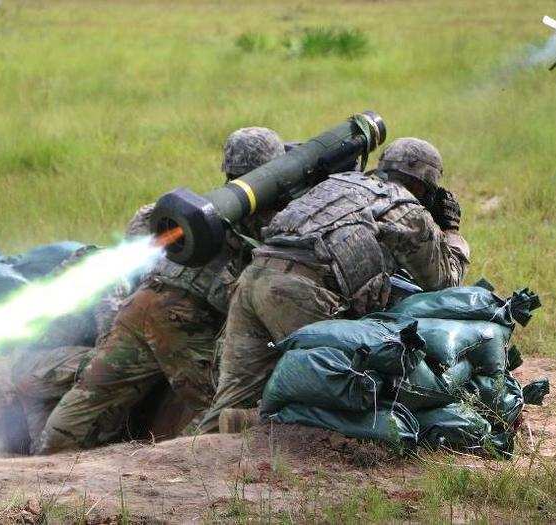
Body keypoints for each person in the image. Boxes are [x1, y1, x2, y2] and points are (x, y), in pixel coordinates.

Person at [33, 127, 286, 454]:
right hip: (181, 321)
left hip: (140, 306)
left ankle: (42, 464)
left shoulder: (204, 207)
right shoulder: (264, 218)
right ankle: (170, 467)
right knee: (223, 408)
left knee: (83, 406)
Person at [198, 137, 470, 433]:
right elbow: (446, 281)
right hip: (301, 292)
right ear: (423, 187)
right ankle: (253, 424)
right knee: (342, 391)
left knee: (233, 395)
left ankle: (195, 459)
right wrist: (451, 231)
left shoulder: (338, 183)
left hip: (255, 276)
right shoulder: (409, 211)